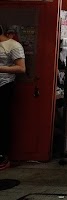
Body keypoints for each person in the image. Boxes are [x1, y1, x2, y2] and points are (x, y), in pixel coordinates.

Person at [0, 24, 26, 171]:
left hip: (4, 86)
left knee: (2, 120)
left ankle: (2, 155)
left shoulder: (13, 45)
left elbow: (21, 68)